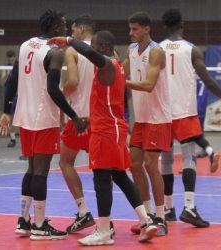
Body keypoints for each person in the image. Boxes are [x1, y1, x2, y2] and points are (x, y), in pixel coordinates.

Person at [48, 30, 157, 245]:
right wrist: (91, 118)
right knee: (120, 177)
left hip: (105, 132)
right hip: (113, 127)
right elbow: (107, 103)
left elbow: (88, 52)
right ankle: (147, 220)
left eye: (96, 46)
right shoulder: (117, 67)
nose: (93, 49)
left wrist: (69, 41)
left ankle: (104, 231)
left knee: (101, 179)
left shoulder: (107, 64)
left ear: (105, 48)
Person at [0, 9, 87, 240]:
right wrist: (73, 115)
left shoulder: (26, 45)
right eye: (64, 25)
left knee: (31, 169)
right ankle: (39, 225)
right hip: (43, 118)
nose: (66, 29)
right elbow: (53, 90)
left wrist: (7, 111)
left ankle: (24, 220)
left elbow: (13, 80)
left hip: (24, 118)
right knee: (40, 173)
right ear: (56, 28)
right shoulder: (54, 52)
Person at [159, 9, 221, 225]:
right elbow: (209, 82)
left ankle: (168, 209)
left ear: (164, 25)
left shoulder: (157, 48)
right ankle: (189, 208)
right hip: (184, 112)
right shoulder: (192, 49)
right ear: (182, 24)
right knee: (188, 158)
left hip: (163, 113)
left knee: (166, 161)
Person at [123, 11, 171, 235]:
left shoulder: (157, 51)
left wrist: (120, 83)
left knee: (151, 165)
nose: (131, 33)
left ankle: (162, 218)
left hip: (157, 118)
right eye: (130, 29)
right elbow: (119, 71)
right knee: (134, 165)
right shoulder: (131, 50)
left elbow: (149, 84)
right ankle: (148, 215)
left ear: (146, 29)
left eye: (135, 29)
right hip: (141, 118)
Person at [58, 14, 96, 233]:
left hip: (80, 117)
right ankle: (144, 214)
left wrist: (61, 96)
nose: (71, 34)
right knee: (108, 171)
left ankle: (84, 212)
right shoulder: (106, 48)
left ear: (81, 29)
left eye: (73, 30)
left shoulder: (73, 50)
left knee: (65, 162)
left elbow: (72, 81)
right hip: (101, 118)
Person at [1, 50, 18, 148]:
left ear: (15, 57)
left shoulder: (19, 65)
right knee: (10, 117)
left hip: (18, 94)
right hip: (10, 95)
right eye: (9, 59)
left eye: (12, 59)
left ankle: (27, 138)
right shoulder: (6, 66)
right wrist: (7, 73)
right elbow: (2, 80)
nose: (11, 61)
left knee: (22, 118)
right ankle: (12, 139)